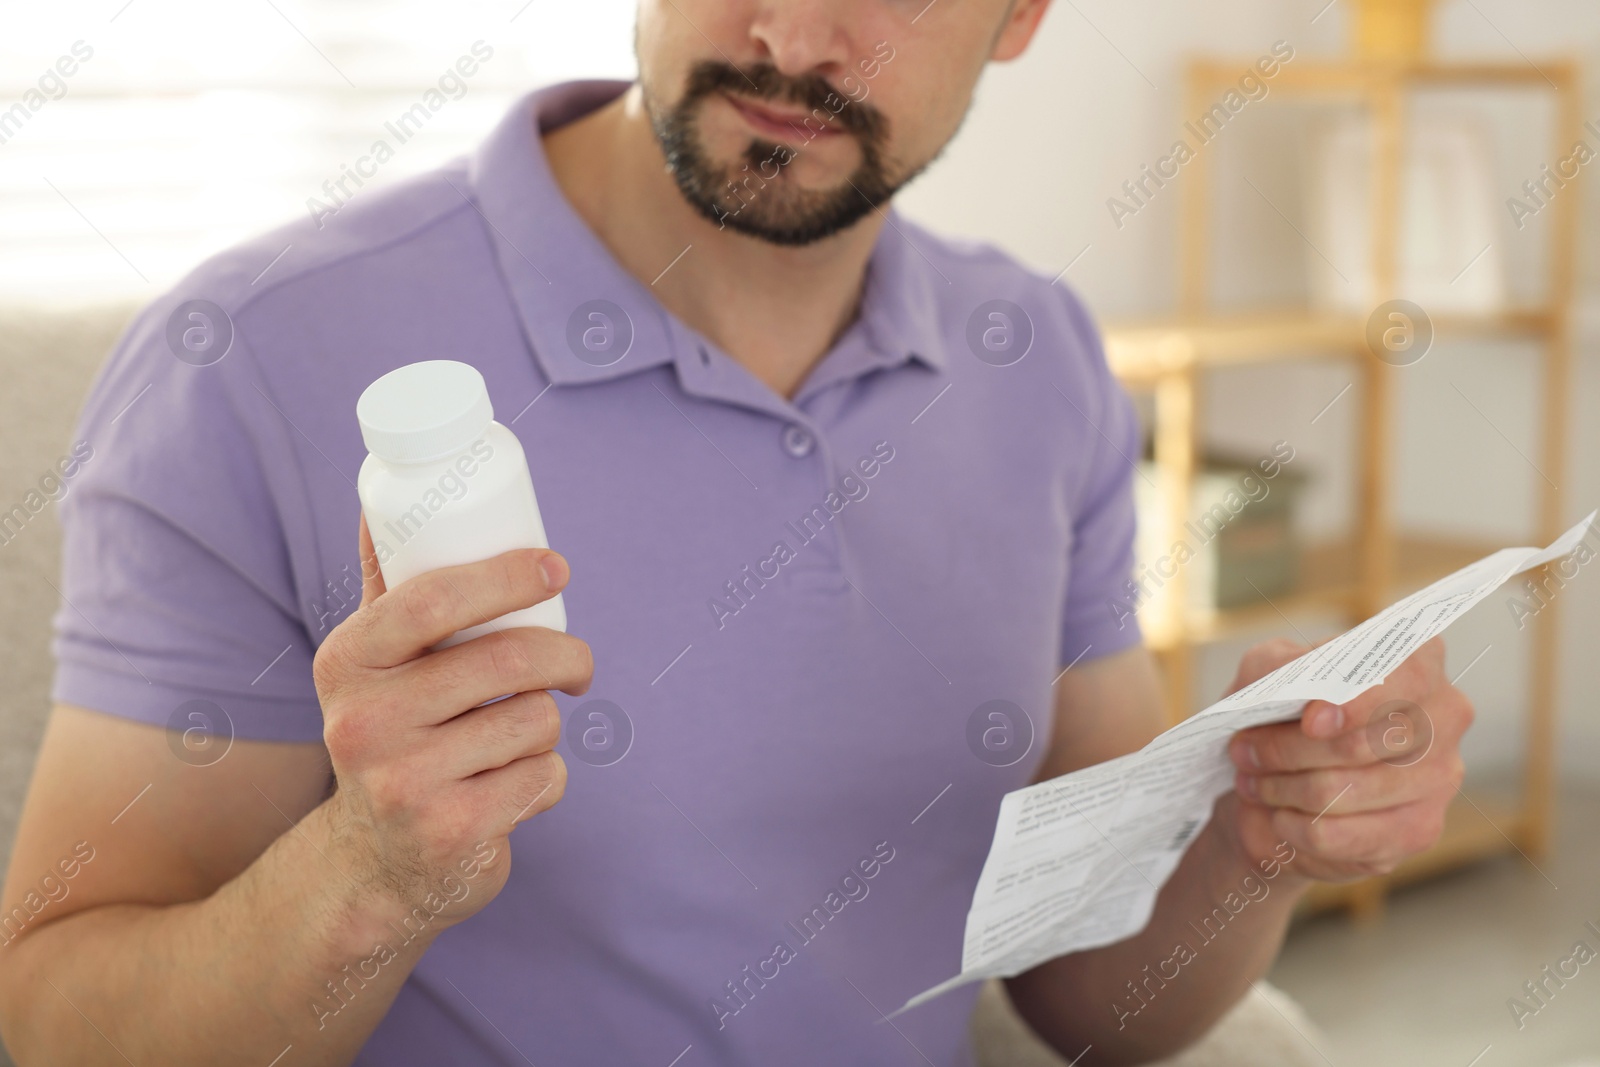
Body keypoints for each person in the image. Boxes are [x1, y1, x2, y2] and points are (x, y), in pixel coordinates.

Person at [0, 2, 1471, 1064]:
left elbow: (1083, 1003)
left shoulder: (1039, 361)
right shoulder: (252, 358)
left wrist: (1258, 837)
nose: (794, 34)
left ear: (1022, 16)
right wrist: (366, 880)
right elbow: (53, 1023)